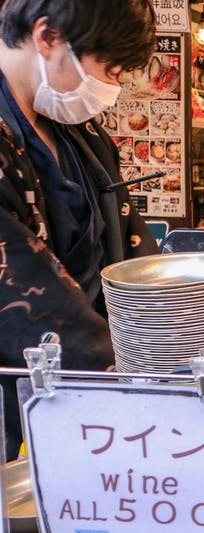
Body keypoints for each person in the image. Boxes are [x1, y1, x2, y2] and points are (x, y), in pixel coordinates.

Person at [0, 0, 159, 458]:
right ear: (47, 38)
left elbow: (128, 246)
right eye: (109, 69)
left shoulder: (80, 133)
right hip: (23, 397)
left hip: (95, 395)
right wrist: (126, 376)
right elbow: (20, 295)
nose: (113, 86)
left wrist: (167, 334)